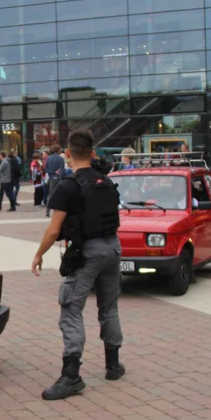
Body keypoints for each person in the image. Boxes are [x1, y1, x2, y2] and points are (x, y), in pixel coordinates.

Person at [31, 130, 123, 400]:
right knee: (109, 305)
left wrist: (39, 254)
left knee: (71, 307)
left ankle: (71, 376)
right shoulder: (105, 181)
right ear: (92, 153)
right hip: (113, 247)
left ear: (67, 153)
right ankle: (113, 365)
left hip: (88, 251)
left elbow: (53, 229)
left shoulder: (68, 186)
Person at [44, 146, 66, 216]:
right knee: (60, 195)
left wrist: (53, 172)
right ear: (57, 150)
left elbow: (46, 169)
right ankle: (59, 210)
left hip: (51, 178)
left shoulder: (48, 158)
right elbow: (62, 170)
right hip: (59, 178)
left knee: (51, 194)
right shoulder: (60, 158)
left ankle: (48, 209)